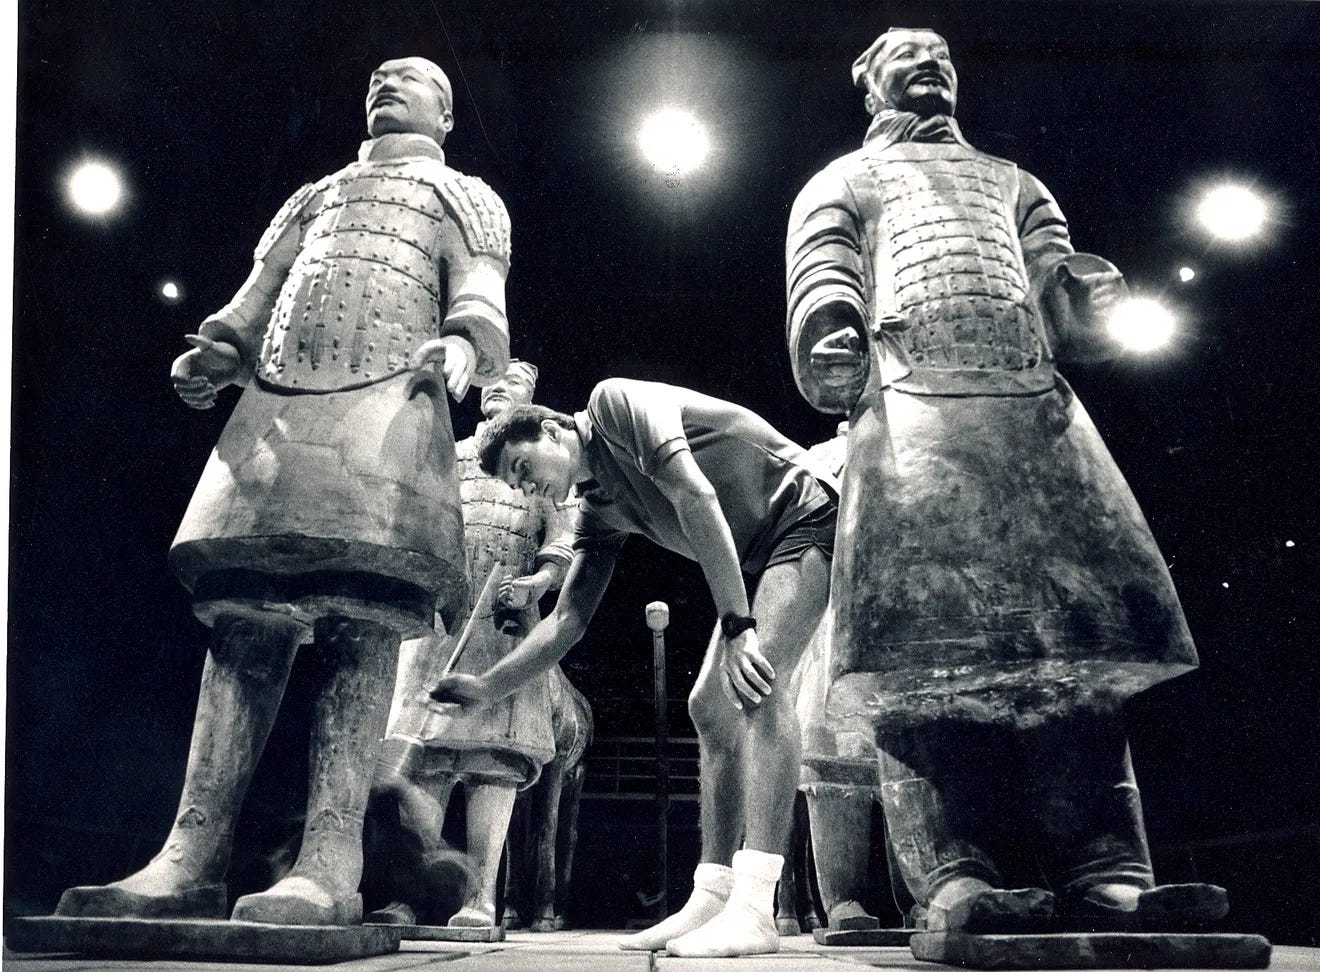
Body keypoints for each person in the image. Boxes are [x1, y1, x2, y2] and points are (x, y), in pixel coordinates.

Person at [785, 28, 1227, 934]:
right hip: (912, 412)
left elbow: (1054, 287)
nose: (931, 60)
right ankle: (952, 875)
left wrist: (1083, 298)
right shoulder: (843, 180)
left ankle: (1109, 866)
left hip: (1034, 415)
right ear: (868, 84)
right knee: (925, 664)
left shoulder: (1015, 180)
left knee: (1079, 660)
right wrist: (829, 325)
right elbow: (823, 268)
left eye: (941, 50)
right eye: (905, 52)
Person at [56, 56, 511, 926]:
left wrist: (460, 347)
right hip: (278, 413)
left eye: (411, 79)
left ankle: (331, 859)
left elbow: (479, 293)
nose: (385, 82)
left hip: (392, 402)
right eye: (378, 75)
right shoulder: (316, 194)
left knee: (363, 618)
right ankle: (190, 853)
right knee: (244, 620)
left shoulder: (468, 196)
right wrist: (221, 353)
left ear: (446, 116)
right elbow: (256, 298)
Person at [432, 378, 836, 956]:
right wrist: (484, 687)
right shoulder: (597, 510)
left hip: (807, 516)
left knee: (756, 683)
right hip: (766, 551)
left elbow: (695, 497)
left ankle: (756, 907)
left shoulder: (613, 405)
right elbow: (567, 621)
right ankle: (712, 897)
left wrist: (739, 626)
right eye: (517, 485)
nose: (530, 489)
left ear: (551, 429)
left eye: (524, 467)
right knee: (708, 708)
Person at [369, 360, 574, 930]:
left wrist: (537, 582)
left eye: (515, 382)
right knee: (427, 758)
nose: (499, 388)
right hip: (443, 622)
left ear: (531, 400)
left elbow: (564, 539)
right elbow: (422, 520)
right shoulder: (453, 454)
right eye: (493, 380)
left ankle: (480, 898)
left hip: (506, 626)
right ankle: (410, 896)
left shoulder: (544, 469)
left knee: (492, 766)